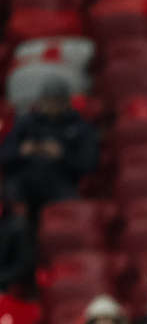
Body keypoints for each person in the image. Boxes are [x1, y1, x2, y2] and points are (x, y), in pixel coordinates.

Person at [0, 79, 98, 219]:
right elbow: (3, 156)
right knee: (10, 204)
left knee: (66, 211)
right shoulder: (25, 123)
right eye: (47, 100)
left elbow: (89, 164)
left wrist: (62, 154)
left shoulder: (81, 127)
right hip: (22, 183)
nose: (51, 105)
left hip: (62, 183)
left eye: (56, 100)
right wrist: (21, 151)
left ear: (66, 102)